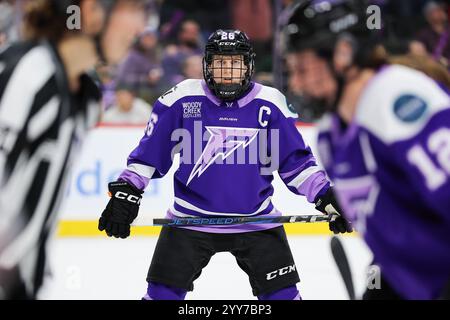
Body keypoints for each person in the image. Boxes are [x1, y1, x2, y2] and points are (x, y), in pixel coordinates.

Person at [97, 29, 352, 300]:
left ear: (248, 66)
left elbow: (296, 164)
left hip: (257, 220)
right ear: (207, 65)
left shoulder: (270, 104)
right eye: (220, 62)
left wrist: (326, 195)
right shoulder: (182, 99)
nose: (227, 71)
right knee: (161, 296)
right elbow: (149, 154)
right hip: (189, 219)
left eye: (234, 63)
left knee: (283, 297)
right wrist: (127, 192)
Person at [286, 0, 450, 299]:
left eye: (303, 67)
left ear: (343, 53)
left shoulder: (398, 98)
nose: (295, 83)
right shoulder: (329, 134)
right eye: (292, 68)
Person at [0, 0, 146, 300]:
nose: (140, 25)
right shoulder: (27, 74)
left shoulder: (85, 99)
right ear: (91, 10)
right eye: (132, 8)